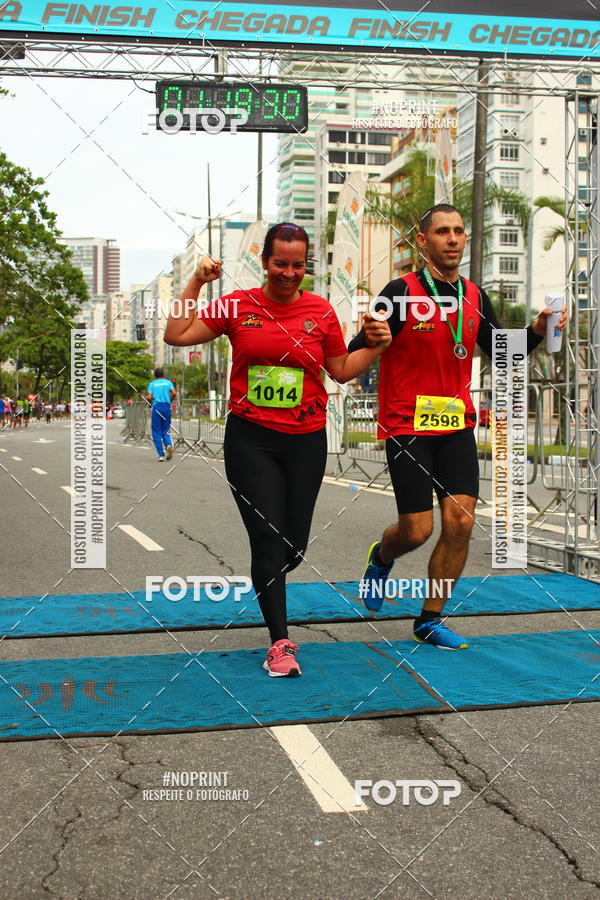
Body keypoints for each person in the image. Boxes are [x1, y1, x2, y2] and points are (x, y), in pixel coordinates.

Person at [164, 222, 391, 677]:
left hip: (305, 440)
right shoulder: (237, 305)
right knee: (267, 537)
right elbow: (175, 333)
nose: (289, 273)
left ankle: (272, 575)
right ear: (265, 262)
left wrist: (376, 346)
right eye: (280, 263)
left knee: (293, 547)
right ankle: (280, 642)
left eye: (297, 264)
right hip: (251, 439)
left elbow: (342, 370)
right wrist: (196, 282)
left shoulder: (320, 311)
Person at [350, 203, 567, 650]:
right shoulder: (400, 291)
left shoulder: (473, 295)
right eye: (443, 232)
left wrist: (538, 329)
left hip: (455, 425)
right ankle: (381, 556)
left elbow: (503, 351)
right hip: (406, 426)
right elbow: (359, 349)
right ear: (424, 241)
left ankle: (429, 619)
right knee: (416, 530)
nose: (452, 238)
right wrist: (372, 335)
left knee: (461, 522)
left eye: (459, 231)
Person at [147, 367, 176, 461]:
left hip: (157, 407)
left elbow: (149, 396)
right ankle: (168, 445)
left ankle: (161, 455)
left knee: (156, 431)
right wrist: (170, 399)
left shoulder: (152, 384)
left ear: (155, 375)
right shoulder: (168, 383)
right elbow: (174, 393)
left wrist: (150, 403)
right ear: (163, 374)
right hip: (166, 407)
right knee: (166, 430)